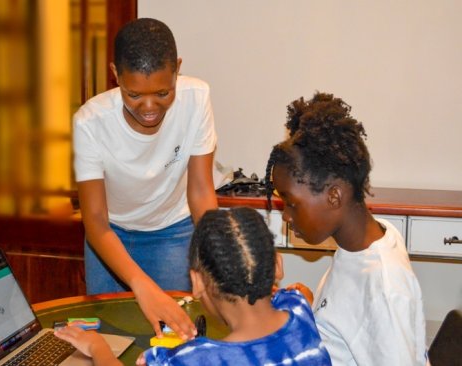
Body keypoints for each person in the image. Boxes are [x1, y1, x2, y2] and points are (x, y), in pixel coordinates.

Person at [73, 17, 218, 340]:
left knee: (173, 335)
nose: (150, 107)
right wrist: (141, 284)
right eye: (134, 94)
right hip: (110, 238)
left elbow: (200, 191)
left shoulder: (197, 99)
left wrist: (217, 253)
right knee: (112, 338)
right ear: (115, 75)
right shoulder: (90, 122)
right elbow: (95, 221)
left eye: (163, 93)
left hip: (173, 232)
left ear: (177, 69)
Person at [264, 92, 428, 365]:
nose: (287, 218)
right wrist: (308, 307)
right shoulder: (369, 238)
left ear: (334, 197)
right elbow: (351, 325)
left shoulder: (384, 289)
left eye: (291, 203)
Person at [55, 207, 331, 365]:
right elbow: (301, 293)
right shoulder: (300, 312)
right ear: (278, 265)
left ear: (196, 282)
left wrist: (97, 347)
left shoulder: (192, 360)